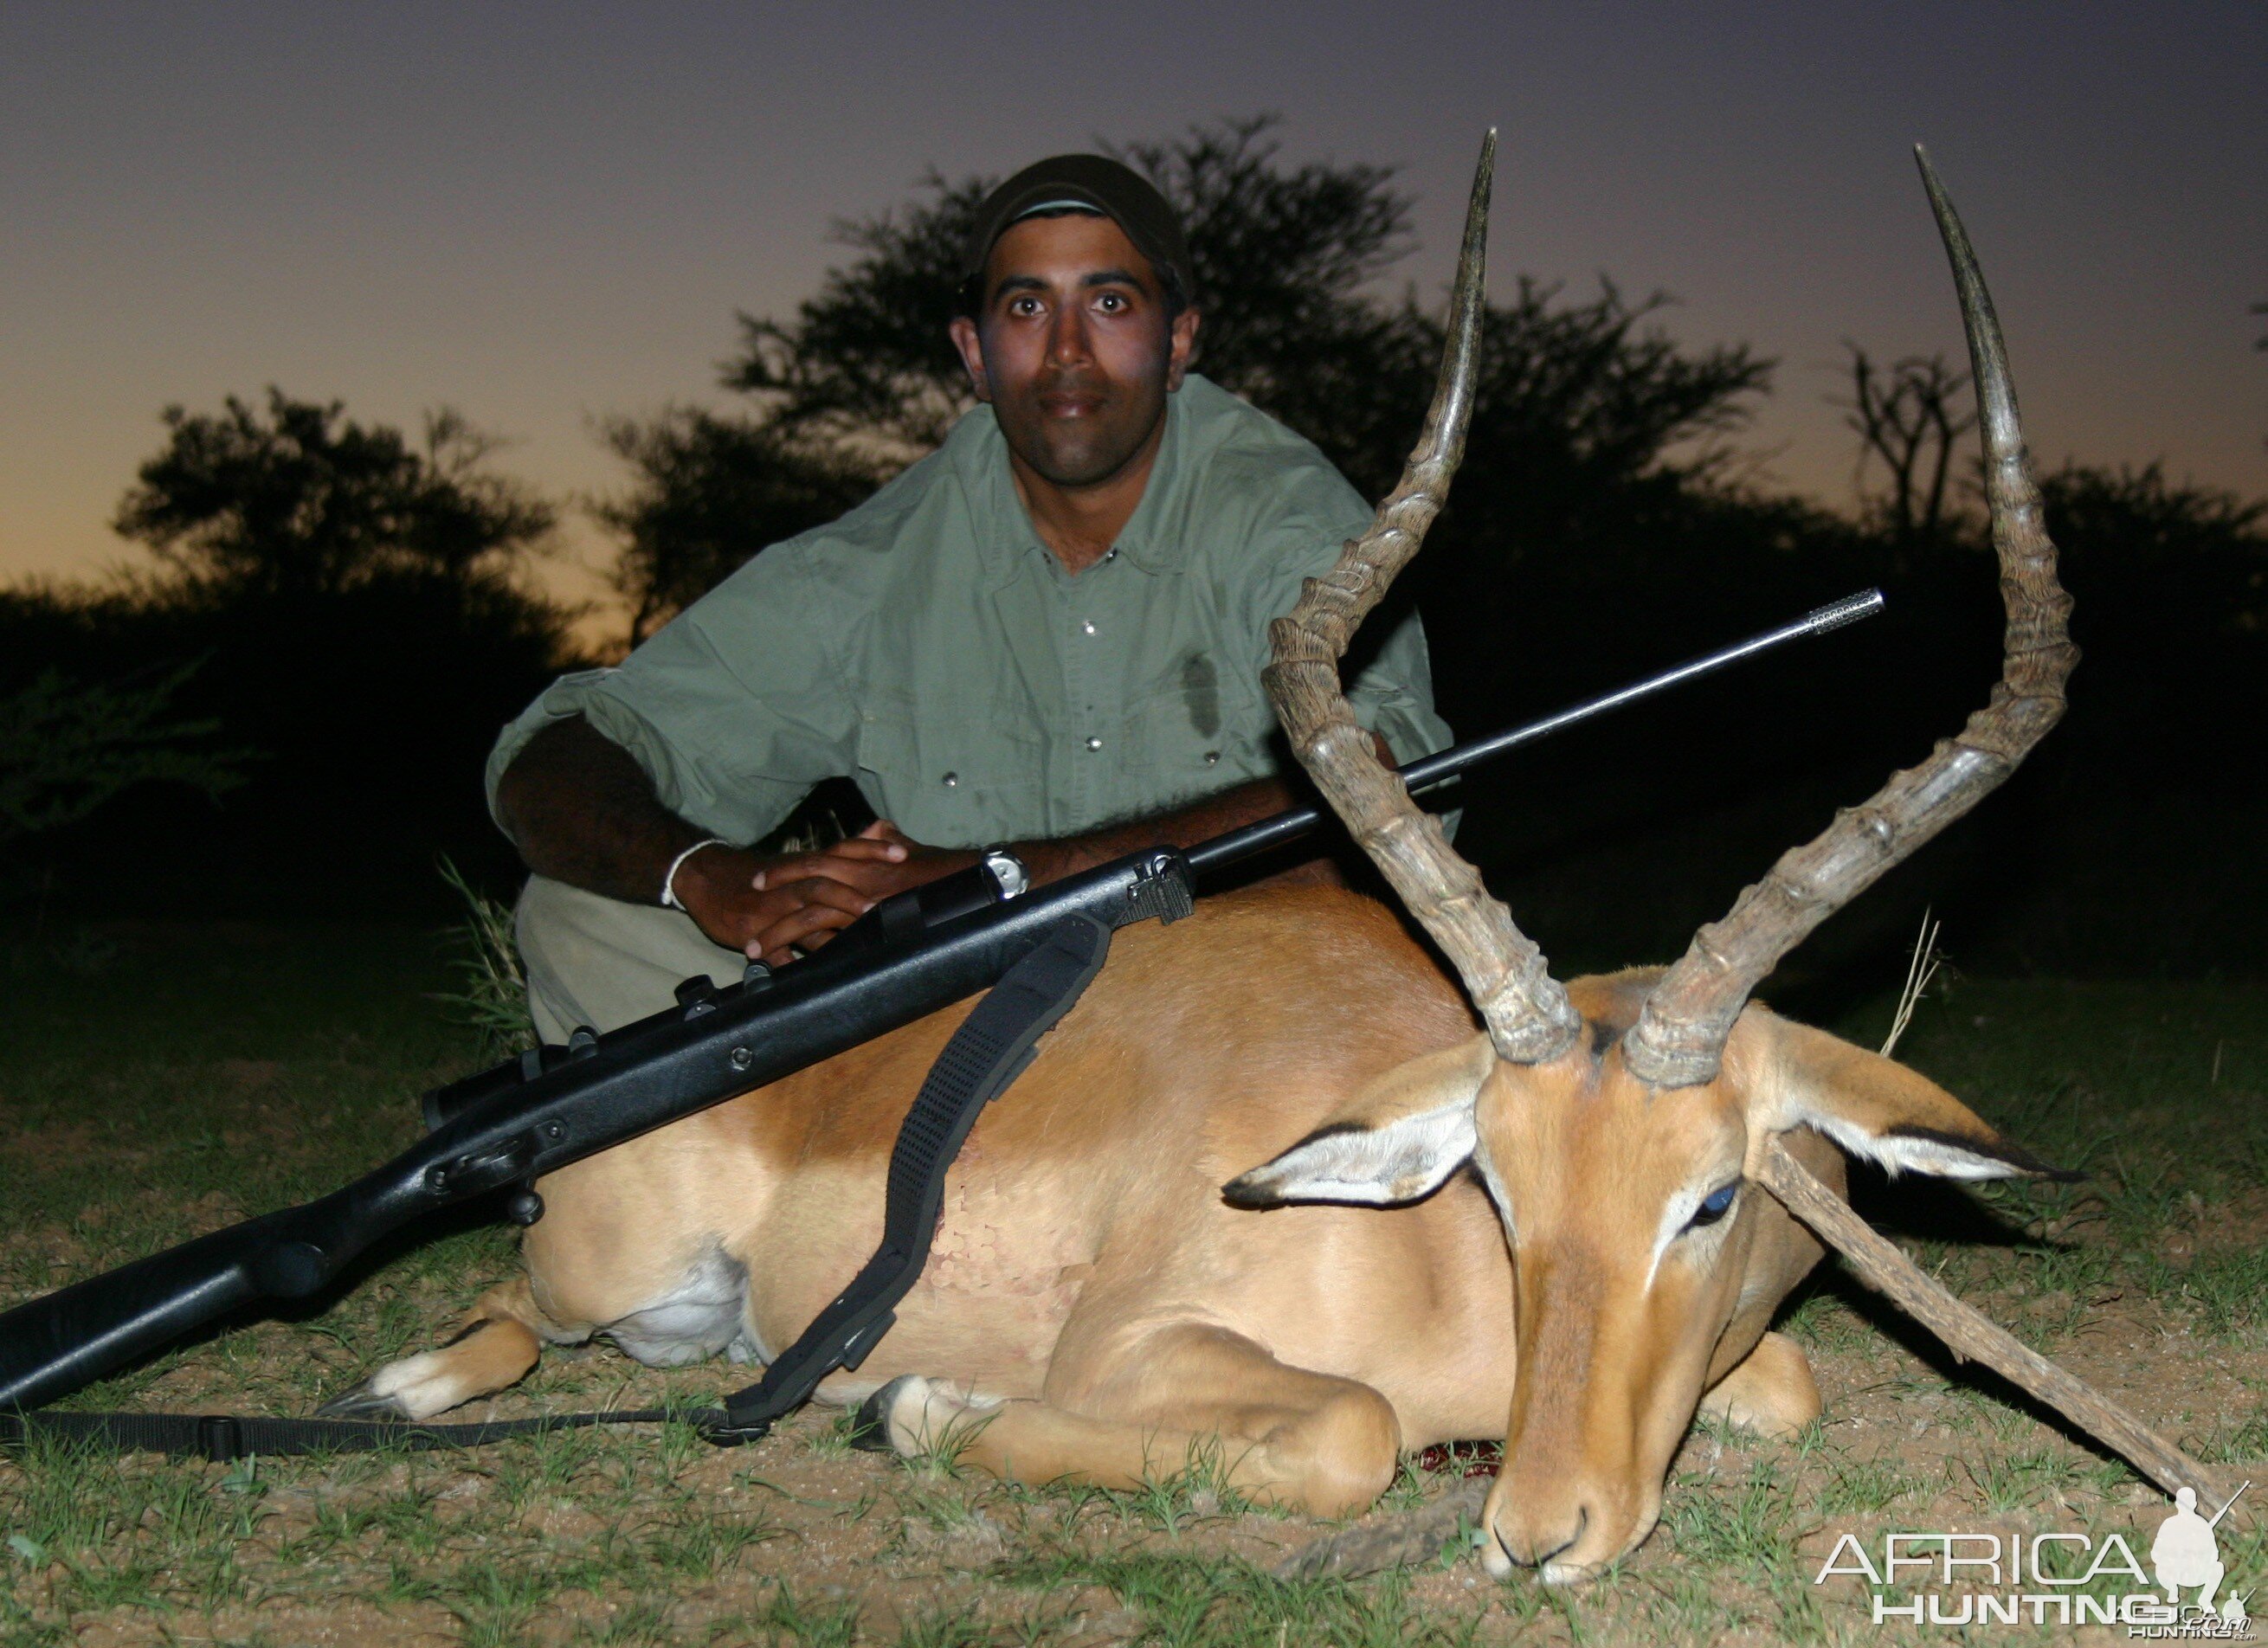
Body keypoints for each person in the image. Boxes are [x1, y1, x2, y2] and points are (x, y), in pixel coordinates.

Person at [486, 153, 1453, 1042]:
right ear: (974, 352)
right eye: (1026, 309)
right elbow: (562, 749)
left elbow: (1382, 797)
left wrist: (998, 878)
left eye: (1110, 302)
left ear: (1177, 340)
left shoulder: (1285, 517)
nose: (1068, 350)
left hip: (1223, 1012)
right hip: (953, 1009)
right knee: (580, 915)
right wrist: (710, 875)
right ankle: (868, 1157)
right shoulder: (871, 563)